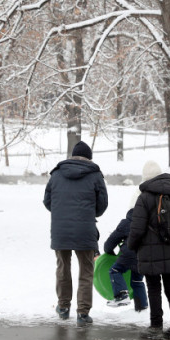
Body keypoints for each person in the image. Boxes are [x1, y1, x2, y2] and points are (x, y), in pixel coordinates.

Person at [43, 140, 108, 327]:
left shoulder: (56, 174)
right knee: (86, 270)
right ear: (89, 157)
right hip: (85, 230)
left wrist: (61, 212)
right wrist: (88, 213)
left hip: (60, 230)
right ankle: (83, 313)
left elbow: (47, 201)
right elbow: (102, 205)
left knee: (63, 267)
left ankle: (63, 307)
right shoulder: (95, 175)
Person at [127, 165, 170, 340]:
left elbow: (137, 228)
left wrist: (132, 245)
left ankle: (156, 328)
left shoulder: (145, 197)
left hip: (150, 253)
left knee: (154, 288)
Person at [102, 162, 158, 312]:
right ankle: (142, 307)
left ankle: (121, 295)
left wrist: (109, 252)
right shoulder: (151, 220)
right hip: (144, 256)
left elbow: (110, 243)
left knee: (115, 271)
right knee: (137, 281)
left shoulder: (127, 222)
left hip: (129, 254)